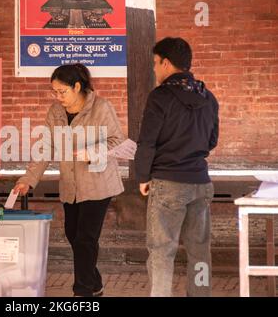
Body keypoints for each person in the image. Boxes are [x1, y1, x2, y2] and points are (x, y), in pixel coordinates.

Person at [13, 63, 125, 297]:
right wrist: (28, 179)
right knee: (73, 234)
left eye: (62, 92)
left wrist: (92, 152)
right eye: (54, 92)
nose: (58, 97)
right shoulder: (55, 113)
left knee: (86, 238)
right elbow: (45, 147)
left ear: (77, 86)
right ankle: (94, 283)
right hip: (71, 185)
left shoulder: (101, 107)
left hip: (98, 184)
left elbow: (118, 142)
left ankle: (82, 292)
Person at [134, 37, 219, 297]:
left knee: (162, 250)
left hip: (168, 183)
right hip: (201, 183)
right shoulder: (208, 96)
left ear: (166, 63)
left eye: (155, 64)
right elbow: (212, 140)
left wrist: (142, 177)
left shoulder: (160, 97)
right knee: (199, 249)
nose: (155, 69)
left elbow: (147, 142)